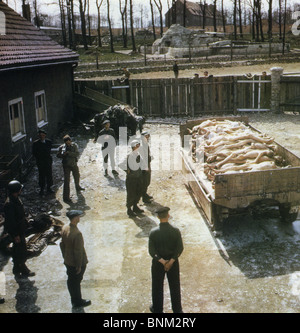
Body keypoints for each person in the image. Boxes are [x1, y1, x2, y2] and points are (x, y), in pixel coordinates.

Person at [149, 206, 184, 313]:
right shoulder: (175, 231)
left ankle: (157, 309)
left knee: (157, 286)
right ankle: (177, 310)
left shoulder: (153, 232)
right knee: (175, 286)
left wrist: (163, 261)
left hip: (158, 264)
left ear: (158, 217)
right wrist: (171, 261)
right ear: (168, 216)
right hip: (173, 263)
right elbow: (180, 248)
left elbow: (152, 251)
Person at [4, 180, 35, 278]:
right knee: (21, 250)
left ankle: (16, 268)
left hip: (19, 228)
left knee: (17, 249)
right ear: (16, 191)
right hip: (16, 230)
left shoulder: (15, 199)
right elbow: (11, 221)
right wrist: (15, 234)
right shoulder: (10, 204)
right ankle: (23, 268)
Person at [60, 210, 91, 308]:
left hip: (68, 260)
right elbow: (78, 251)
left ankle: (73, 299)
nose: (79, 218)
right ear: (75, 218)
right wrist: (78, 266)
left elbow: (62, 245)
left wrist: (65, 256)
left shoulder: (65, 227)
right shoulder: (77, 234)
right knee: (76, 282)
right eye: (78, 216)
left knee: (71, 281)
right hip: (75, 263)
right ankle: (77, 301)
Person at [57, 135, 85, 203]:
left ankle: (77, 186)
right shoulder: (62, 147)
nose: (68, 143)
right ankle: (66, 197)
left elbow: (77, 154)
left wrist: (69, 153)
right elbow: (58, 155)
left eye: (69, 142)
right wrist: (62, 154)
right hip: (66, 165)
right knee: (66, 181)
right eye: (67, 142)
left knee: (77, 175)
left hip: (73, 164)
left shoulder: (74, 145)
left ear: (70, 141)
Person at [124, 140, 144, 217]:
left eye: (139, 145)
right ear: (133, 147)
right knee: (131, 194)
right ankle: (129, 209)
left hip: (138, 177)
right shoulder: (129, 156)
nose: (138, 147)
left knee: (138, 192)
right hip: (131, 179)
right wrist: (128, 171)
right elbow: (121, 164)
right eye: (137, 146)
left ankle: (135, 207)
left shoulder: (138, 155)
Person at [32, 129, 53, 196]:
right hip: (40, 162)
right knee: (42, 176)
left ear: (45, 135)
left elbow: (48, 151)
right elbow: (34, 153)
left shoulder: (48, 142)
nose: (42, 137)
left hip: (47, 162)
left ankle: (49, 188)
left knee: (49, 175)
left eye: (43, 135)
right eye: (40, 135)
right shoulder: (35, 143)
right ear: (39, 136)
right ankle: (42, 189)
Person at [140, 131, 153, 204]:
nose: (147, 138)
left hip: (147, 164)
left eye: (148, 136)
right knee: (144, 182)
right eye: (146, 136)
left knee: (147, 181)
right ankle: (144, 197)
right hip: (144, 166)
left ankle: (145, 194)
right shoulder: (142, 146)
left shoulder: (145, 144)